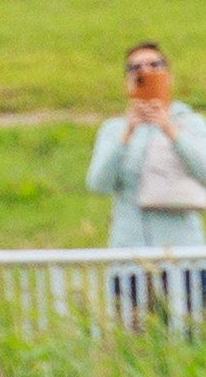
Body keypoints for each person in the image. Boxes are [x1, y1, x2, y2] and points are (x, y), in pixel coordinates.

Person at [87, 43, 206, 255]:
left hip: (182, 248)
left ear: (168, 77)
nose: (145, 72)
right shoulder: (114, 129)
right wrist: (126, 135)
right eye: (135, 68)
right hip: (129, 248)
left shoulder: (191, 124)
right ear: (127, 81)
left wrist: (172, 133)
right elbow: (98, 184)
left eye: (155, 65)